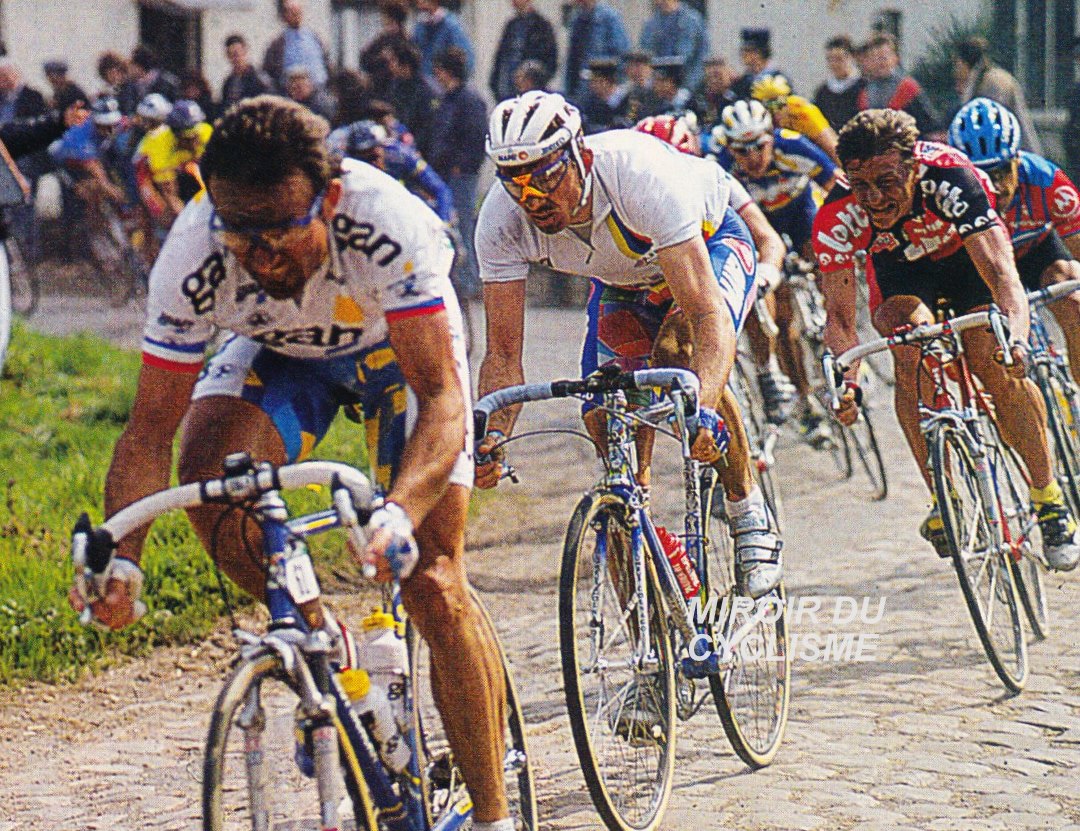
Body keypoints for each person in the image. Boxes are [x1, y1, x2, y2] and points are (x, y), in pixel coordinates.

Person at [66, 95, 518, 831]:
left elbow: (441, 399)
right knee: (211, 483)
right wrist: (124, 558)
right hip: (282, 353)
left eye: (280, 231)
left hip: (395, 355)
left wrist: (399, 512)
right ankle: (329, 652)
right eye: (240, 234)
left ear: (330, 199)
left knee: (432, 577)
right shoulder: (193, 253)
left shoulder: (386, 223)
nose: (262, 254)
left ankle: (495, 817)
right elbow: (148, 429)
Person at [476, 91, 785, 600]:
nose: (532, 198)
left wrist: (701, 410)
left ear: (580, 153)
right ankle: (649, 622)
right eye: (515, 181)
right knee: (602, 412)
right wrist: (492, 438)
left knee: (677, 352)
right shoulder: (501, 221)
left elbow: (707, 315)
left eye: (545, 175)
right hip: (626, 280)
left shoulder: (638, 177)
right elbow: (504, 356)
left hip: (707, 246)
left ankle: (746, 508)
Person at [814, 108, 1080, 570]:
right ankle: (944, 496)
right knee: (907, 346)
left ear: (914, 166)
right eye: (862, 186)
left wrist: (1015, 337)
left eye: (888, 181)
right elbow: (838, 319)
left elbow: (1002, 276)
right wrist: (846, 380)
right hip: (902, 274)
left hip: (966, 263)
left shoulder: (953, 178)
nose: (875, 199)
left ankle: (1049, 498)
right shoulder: (836, 214)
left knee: (990, 356)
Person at [713, 99, 839, 437]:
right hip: (758, 226)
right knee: (781, 316)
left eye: (760, 146)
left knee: (826, 260)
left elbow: (837, 187)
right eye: (742, 150)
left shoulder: (795, 147)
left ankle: (840, 337)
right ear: (730, 149)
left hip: (799, 212)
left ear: (772, 137)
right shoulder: (721, 169)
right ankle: (804, 400)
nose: (753, 157)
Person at [949, 98, 1080, 386]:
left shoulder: (1048, 181)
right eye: (981, 175)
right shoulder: (949, 195)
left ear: (1017, 160)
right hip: (985, 266)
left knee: (1073, 298)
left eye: (1001, 172)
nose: (995, 186)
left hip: (1035, 252)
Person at [429, 47, 487, 299]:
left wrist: (462, 165)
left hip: (461, 174)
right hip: (446, 173)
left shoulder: (469, 101)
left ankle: (469, 281)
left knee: (463, 224)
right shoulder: (447, 99)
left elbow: (475, 138)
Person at [329, 118, 454, 222]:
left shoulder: (400, 155)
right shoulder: (345, 165)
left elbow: (440, 189)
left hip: (403, 208)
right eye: (364, 158)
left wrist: (443, 222)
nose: (374, 163)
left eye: (375, 155)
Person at [133, 99, 211, 233]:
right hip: (147, 172)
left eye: (196, 137)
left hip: (183, 166)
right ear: (176, 135)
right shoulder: (160, 145)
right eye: (188, 139)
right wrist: (191, 229)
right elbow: (170, 195)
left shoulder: (205, 131)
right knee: (167, 218)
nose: (194, 143)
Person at [953, 36, 1041, 154]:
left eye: (957, 63)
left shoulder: (993, 83)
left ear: (963, 62)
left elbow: (991, 126)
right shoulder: (986, 79)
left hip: (1008, 154)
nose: (955, 69)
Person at [857, 33, 936, 136]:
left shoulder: (908, 88)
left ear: (895, 58)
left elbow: (929, 127)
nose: (881, 63)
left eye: (884, 57)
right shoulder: (865, 93)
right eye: (875, 58)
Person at [751, 72, 839, 162]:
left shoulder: (802, 110)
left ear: (788, 100)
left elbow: (832, 147)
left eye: (779, 104)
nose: (775, 112)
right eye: (768, 107)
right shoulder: (754, 118)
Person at [380, 39, 441, 156]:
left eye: (394, 61)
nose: (390, 65)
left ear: (405, 66)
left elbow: (429, 126)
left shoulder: (427, 91)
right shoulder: (395, 85)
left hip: (420, 153)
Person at [489, 0, 558, 102]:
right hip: (506, 92)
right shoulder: (511, 25)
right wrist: (494, 84)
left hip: (529, 95)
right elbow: (501, 58)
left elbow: (550, 61)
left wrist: (534, 82)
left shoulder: (542, 27)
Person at [564, 0, 630, 103]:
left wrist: (610, 79)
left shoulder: (608, 18)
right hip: (580, 88)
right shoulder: (577, 19)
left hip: (602, 88)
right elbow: (572, 58)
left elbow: (621, 53)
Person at [639, 0, 709, 97]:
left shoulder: (693, 20)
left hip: (687, 88)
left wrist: (688, 88)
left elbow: (702, 57)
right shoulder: (650, 25)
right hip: (658, 90)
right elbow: (645, 58)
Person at [264, 0, 330, 92]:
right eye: (291, 12)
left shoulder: (314, 37)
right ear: (284, 15)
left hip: (318, 93)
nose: (296, 15)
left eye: (298, 11)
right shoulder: (278, 44)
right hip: (291, 96)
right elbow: (269, 72)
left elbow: (326, 64)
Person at [411, 0, 475, 82]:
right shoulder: (419, 27)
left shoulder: (451, 26)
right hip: (424, 86)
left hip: (443, 87)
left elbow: (467, 60)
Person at [812, 36, 864, 132]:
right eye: (830, 60)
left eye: (839, 59)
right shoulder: (822, 92)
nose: (834, 64)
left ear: (851, 58)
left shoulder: (863, 87)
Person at [359, 0, 412, 90]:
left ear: (391, 18)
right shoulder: (382, 38)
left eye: (383, 15)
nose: (381, 18)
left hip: (391, 90)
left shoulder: (403, 42)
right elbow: (363, 60)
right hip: (379, 87)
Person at [732, 28, 787, 101]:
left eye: (748, 50)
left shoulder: (778, 79)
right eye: (742, 50)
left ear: (760, 53)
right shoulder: (742, 81)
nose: (743, 54)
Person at [221, 34, 274, 109]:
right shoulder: (228, 83)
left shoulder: (260, 80)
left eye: (237, 54)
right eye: (230, 55)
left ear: (245, 51)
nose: (235, 58)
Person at [579, 57, 628, 133]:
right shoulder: (591, 103)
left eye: (594, 81)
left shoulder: (629, 100)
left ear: (605, 82)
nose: (590, 85)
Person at [690, 56, 736, 130]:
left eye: (718, 76)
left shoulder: (738, 92)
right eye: (710, 77)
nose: (714, 81)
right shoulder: (698, 98)